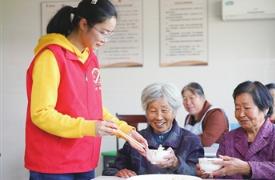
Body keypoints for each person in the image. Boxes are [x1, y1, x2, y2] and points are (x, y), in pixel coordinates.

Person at [24, 0, 147, 179]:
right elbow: (41, 113)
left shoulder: (90, 59)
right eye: (103, 32)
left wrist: (126, 131)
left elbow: (94, 109)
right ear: (83, 24)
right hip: (54, 163)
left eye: (110, 34)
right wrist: (89, 127)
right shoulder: (51, 57)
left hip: (84, 160)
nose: (106, 40)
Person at [197, 81, 275, 179]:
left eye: (247, 108)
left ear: (265, 108)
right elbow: (221, 173)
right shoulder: (228, 138)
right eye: (237, 108)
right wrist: (211, 175)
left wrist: (246, 168)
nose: (240, 114)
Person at [112, 83, 204, 178]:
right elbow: (111, 169)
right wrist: (119, 172)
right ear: (146, 112)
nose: (159, 117)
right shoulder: (135, 141)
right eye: (153, 111)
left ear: (174, 112)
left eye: (164, 110)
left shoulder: (191, 141)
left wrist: (176, 164)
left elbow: (199, 174)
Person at [182, 82, 229, 147]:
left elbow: (206, 141)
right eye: (184, 99)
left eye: (191, 98)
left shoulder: (216, 114)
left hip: (214, 156)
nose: (188, 102)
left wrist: (180, 140)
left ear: (202, 98)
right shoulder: (188, 117)